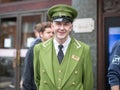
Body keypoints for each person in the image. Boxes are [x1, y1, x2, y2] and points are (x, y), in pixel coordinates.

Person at [34, 4, 94, 90]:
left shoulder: (83, 49)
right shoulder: (39, 49)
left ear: (71, 27)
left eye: (66, 24)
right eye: (58, 24)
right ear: (52, 26)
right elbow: (37, 79)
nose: (62, 28)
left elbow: (88, 83)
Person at [21, 21, 54, 90]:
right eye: (48, 32)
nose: (51, 35)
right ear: (41, 34)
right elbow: (27, 74)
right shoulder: (34, 49)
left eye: (53, 33)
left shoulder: (54, 48)